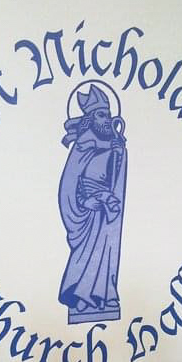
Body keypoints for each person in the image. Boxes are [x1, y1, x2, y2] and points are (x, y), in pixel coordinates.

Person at [58, 84, 128, 324]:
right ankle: (80, 294)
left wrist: (120, 153)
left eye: (108, 114)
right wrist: (85, 201)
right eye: (100, 114)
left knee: (108, 249)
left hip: (107, 208)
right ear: (89, 119)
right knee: (87, 252)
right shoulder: (84, 143)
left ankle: (104, 294)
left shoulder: (113, 142)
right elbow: (70, 182)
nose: (106, 119)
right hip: (88, 208)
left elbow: (115, 175)